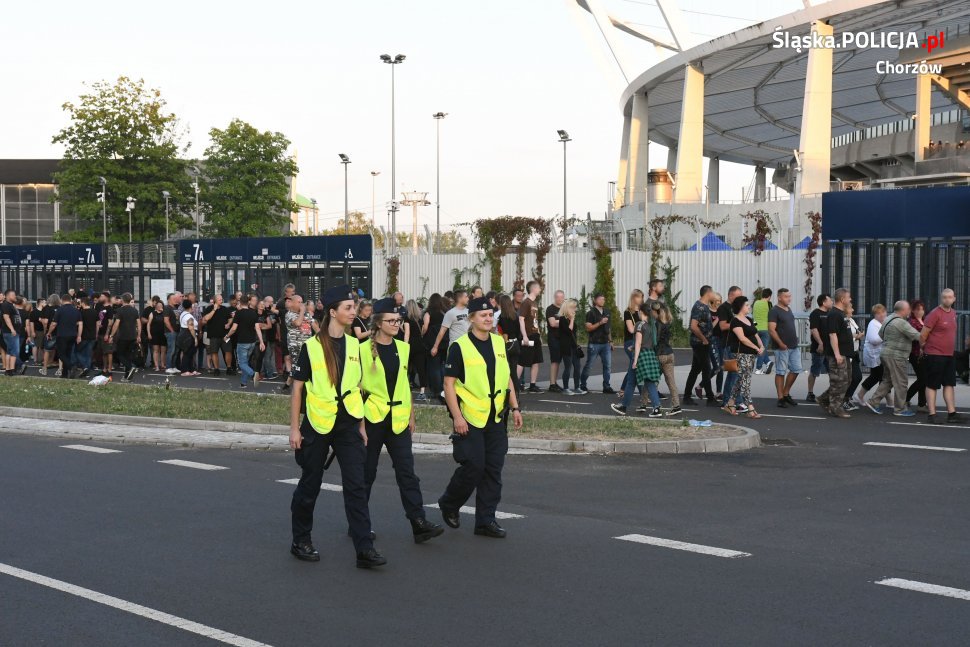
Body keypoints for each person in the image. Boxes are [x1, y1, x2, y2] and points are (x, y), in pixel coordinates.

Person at [288, 284, 385, 569]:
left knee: (356, 484)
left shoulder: (356, 345)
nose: (354, 312)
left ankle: (364, 548)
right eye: (348, 308)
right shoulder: (312, 347)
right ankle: (301, 539)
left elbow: (357, 387)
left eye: (354, 307)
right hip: (317, 423)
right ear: (333, 312)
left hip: (348, 423)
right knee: (311, 483)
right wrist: (295, 428)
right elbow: (297, 389)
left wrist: (362, 424)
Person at [359, 298, 445, 543]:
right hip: (372, 419)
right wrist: (359, 423)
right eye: (392, 320)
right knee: (367, 473)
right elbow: (355, 389)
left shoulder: (403, 348)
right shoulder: (362, 350)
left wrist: (411, 414)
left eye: (399, 320)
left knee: (407, 473)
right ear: (378, 323)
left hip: (398, 420)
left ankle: (419, 523)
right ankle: (359, 522)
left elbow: (403, 385)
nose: (397, 324)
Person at [438, 296, 523, 539]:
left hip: (496, 417)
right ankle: (450, 503)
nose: (488, 318)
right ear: (472, 319)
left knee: (493, 469)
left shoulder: (498, 343)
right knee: (474, 465)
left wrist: (515, 407)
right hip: (470, 417)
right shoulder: (460, 347)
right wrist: (457, 417)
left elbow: (507, 378)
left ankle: (485, 521)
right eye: (483, 315)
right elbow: (449, 383)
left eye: (490, 315)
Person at [865, 301, 920, 417]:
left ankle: (873, 401)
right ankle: (899, 409)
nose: (910, 311)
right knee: (901, 382)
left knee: (888, 380)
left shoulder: (888, 319)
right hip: (897, 356)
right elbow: (917, 336)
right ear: (903, 310)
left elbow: (880, 335)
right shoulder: (902, 323)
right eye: (908, 309)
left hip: (885, 354)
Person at [612, 303, 663, 417]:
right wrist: (633, 346)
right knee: (649, 382)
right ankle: (657, 408)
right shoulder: (652, 325)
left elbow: (639, 343)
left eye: (639, 312)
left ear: (641, 312)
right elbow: (648, 342)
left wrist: (635, 361)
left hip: (640, 356)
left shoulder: (639, 325)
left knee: (631, 382)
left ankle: (624, 407)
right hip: (650, 354)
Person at [921, 289, 963, 425]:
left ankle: (952, 413)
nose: (947, 300)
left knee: (949, 384)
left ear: (954, 299)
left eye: (950, 297)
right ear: (941, 298)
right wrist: (923, 348)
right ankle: (932, 415)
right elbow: (923, 334)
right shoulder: (934, 314)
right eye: (944, 297)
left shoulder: (953, 313)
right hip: (934, 354)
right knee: (932, 385)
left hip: (949, 355)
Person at [722, 296, 763, 419]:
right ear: (740, 307)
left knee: (741, 380)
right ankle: (750, 407)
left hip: (751, 355)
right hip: (741, 354)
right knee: (746, 381)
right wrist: (756, 348)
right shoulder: (735, 321)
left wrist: (761, 346)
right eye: (747, 305)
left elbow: (755, 334)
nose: (749, 307)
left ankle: (730, 403)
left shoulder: (750, 320)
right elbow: (742, 338)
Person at [816, 288, 854, 418]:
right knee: (839, 381)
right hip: (837, 355)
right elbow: (833, 335)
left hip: (845, 353)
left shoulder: (841, 313)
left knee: (847, 380)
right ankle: (835, 407)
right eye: (848, 298)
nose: (850, 300)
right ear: (842, 299)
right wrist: (837, 354)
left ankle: (824, 399)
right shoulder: (834, 314)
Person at [767, 288, 801, 408]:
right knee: (781, 371)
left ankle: (786, 393)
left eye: (789, 296)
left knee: (796, 369)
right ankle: (780, 397)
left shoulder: (788, 309)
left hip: (793, 346)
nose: (789, 299)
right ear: (779, 297)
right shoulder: (774, 311)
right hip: (782, 347)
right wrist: (780, 343)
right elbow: (771, 329)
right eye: (786, 296)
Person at [683, 286, 716, 406]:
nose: (714, 294)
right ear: (708, 293)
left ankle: (687, 396)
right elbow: (693, 326)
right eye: (712, 292)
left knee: (695, 370)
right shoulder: (699, 307)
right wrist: (703, 339)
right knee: (706, 369)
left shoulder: (705, 306)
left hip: (702, 342)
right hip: (700, 343)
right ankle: (710, 398)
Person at [224, 294, 263, 389]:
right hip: (252, 342)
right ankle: (243, 383)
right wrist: (261, 341)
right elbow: (257, 328)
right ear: (249, 302)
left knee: (242, 363)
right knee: (245, 362)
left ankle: (253, 374)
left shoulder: (239, 313)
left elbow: (233, 328)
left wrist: (227, 336)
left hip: (242, 342)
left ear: (240, 302)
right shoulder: (254, 313)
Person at [716, 286, 744, 411]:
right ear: (731, 295)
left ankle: (732, 400)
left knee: (737, 373)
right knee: (734, 373)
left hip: (738, 344)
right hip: (728, 344)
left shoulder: (738, 308)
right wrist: (737, 323)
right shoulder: (723, 308)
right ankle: (730, 401)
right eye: (738, 296)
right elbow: (722, 326)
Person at [854, 304, 887, 407]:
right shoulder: (873, 324)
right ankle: (859, 395)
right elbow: (874, 340)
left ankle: (889, 401)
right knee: (877, 376)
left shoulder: (882, 323)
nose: (881, 314)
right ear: (875, 315)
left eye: (883, 312)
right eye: (878, 313)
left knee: (881, 377)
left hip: (879, 355)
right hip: (874, 355)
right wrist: (886, 337)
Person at [580, 292, 613, 394]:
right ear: (595, 300)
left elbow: (608, 328)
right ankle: (583, 385)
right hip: (594, 343)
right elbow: (588, 328)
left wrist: (611, 341)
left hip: (605, 343)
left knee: (607, 366)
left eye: (603, 299)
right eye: (600, 299)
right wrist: (600, 322)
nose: (602, 301)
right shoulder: (591, 313)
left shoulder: (607, 311)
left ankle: (606, 386)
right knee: (589, 365)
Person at [281, 295, 313, 394]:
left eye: (302, 302)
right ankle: (296, 389)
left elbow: (313, 323)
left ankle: (287, 385)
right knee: (297, 365)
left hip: (307, 343)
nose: (301, 304)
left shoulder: (306, 314)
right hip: (295, 344)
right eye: (298, 302)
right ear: (293, 303)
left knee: (299, 365)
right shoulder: (289, 314)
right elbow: (298, 323)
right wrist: (303, 312)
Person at [517, 280, 544, 393]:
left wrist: (539, 335)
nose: (540, 290)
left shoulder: (534, 303)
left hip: (535, 335)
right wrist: (524, 336)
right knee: (522, 361)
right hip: (528, 335)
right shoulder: (526, 302)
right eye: (538, 288)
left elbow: (535, 321)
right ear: (533, 289)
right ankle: (513, 384)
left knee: (536, 360)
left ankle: (533, 385)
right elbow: (521, 319)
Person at [654, 302, 681, 415]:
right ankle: (676, 405)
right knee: (671, 382)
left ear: (657, 312)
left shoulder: (657, 324)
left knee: (652, 381)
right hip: (670, 353)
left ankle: (647, 404)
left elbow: (656, 341)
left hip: (659, 355)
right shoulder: (668, 323)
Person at [47, 294, 81, 379]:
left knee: (61, 354)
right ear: (70, 300)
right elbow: (80, 324)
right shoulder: (76, 310)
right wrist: (79, 335)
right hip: (73, 335)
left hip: (62, 335)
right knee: (68, 354)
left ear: (62, 300)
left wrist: (49, 332)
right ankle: (65, 374)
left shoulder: (60, 310)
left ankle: (71, 367)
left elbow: (54, 324)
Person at [110, 293, 142, 381]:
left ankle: (130, 367)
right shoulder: (134, 310)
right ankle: (127, 376)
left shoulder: (120, 310)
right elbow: (139, 324)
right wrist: (138, 335)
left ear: (123, 300)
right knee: (128, 356)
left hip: (123, 336)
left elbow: (116, 324)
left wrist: (112, 335)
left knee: (120, 354)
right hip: (133, 336)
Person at [806, 294, 832, 402]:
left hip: (830, 349)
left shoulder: (831, 314)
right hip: (819, 349)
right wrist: (820, 343)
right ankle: (810, 393)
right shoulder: (815, 313)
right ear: (824, 302)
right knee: (815, 371)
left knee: (832, 371)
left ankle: (832, 392)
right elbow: (814, 329)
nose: (832, 302)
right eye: (830, 300)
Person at [422, 293, 447, 403]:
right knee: (442, 366)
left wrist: (422, 333)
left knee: (434, 367)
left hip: (432, 343)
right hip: (444, 342)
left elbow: (425, 326)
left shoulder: (429, 312)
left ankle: (436, 390)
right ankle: (444, 388)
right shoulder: (444, 312)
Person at [430, 289, 469, 359]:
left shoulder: (469, 311)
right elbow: (442, 331)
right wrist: (435, 347)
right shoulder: (450, 313)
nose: (468, 298)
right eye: (466, 297)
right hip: (456, 347)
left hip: (468, 346)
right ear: (460, 299)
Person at [620, 289, 645, 398]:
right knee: (637, 366)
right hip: (630, 342)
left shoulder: (642, 311)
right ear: (634, 298)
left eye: (642, 297)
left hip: (639, 341)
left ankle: (622, 389)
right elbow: (630, 329)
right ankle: (643, 394)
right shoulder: (628, 312)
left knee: (632, 366)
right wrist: (642, 328)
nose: (641, 299)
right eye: (639, 297)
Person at [496, 294, 522, 396]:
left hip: (507, 344)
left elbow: (503, 333)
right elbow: (518, 331)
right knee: (514, 371)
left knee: (505, 370)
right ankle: (516, 393)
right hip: (515, 344)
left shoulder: (501, 317)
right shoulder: (515, 315)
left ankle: (508, 393)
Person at [841, 303, 865, 412]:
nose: (853, 309)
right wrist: (857, 336)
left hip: (854, 353)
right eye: (851, 308)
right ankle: (842, 400)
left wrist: (858, 335)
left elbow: (855, 333)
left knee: (857, 377)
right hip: (847, 353)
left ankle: (847, 397)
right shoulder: (843, 321)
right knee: (850, 378)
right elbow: (846, 337)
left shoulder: (851, 320)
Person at [556, 298, 581, 395]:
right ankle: (565, 388)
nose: (575, 310)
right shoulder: (562, 319)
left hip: (573, 346)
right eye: (573, 308)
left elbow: (574, 332)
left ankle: (577, 387)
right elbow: (568, 330)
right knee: (568, 367)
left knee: (577, 366)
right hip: (566, 347)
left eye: (575, 307)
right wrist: (572, 320)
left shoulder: (571, 319)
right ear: (568, 308)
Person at [404, 299, 428, 402]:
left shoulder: (407, 319)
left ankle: (404, 388)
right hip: (420, 344)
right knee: (420, 368)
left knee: (406, 367)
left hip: (411, 345)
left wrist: (405, 346)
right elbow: (422, 331)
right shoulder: (420, 319)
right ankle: (422, 392)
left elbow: (407, 334)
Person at [905, 300, 927, 411]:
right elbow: (917, 336)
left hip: (925, 354)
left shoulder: (924, 321)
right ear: (913, 310)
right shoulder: (912, 322)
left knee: (923, 379)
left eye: (922, 309)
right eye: (918, 309)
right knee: (923, 378)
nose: (921, 311)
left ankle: (922, 404)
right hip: (915, 354)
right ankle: (906, 398)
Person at [545, 289, 565, 393]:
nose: (560, 299)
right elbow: (552, 323)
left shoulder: (564, 309)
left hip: (562, 338)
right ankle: (552, 384)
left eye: (562, 297)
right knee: (554, 361)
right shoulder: (550, 309)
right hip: (553, 338)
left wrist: (560, 322)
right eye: (558, 297)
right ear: (554, 297)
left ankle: (555, 382)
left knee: (558, 361)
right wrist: (563, 322)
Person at [752, 288, 774, 374]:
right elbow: (771, 317)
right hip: (765, 329)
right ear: (769, 296)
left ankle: (768, 362)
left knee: (760, 349)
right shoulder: (769, 304)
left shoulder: (756, 303)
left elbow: (753, 317)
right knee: (762, 349)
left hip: (756, 329)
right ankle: (758, 368)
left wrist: (756, 326)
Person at [1, 289, 21, 376]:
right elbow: (6, 317)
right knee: (14, 351)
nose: (15, 296)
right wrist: (12, 329)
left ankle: (8, 370)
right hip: (10, 332)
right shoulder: (6, 305)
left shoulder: (10, 305)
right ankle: (11, 370)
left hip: (11, 332)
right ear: (8, 296)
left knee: (9, 351)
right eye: (13, 295)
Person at [177, 303, 200, 377]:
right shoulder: (189, 316)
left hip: (184, 335)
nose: (194, 309)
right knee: (188, 353)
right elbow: (191, 328)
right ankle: (185, 370)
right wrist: (195, 338)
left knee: (190, 353)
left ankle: (191, 369)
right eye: (193, 307)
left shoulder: (183, 314)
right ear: (191, 307)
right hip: (189, 336)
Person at [147, 300, 168, 372]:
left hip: (163, 334)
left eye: (161, 305)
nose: (160, 306)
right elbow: (148, 324)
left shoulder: (164, 313)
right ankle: (156, 365)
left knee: (163, 351)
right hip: (155, 334)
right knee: (156, 350)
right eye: (158, 305)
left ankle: (162, 364)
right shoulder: (152, 313)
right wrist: (149, 333)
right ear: (156, 306)